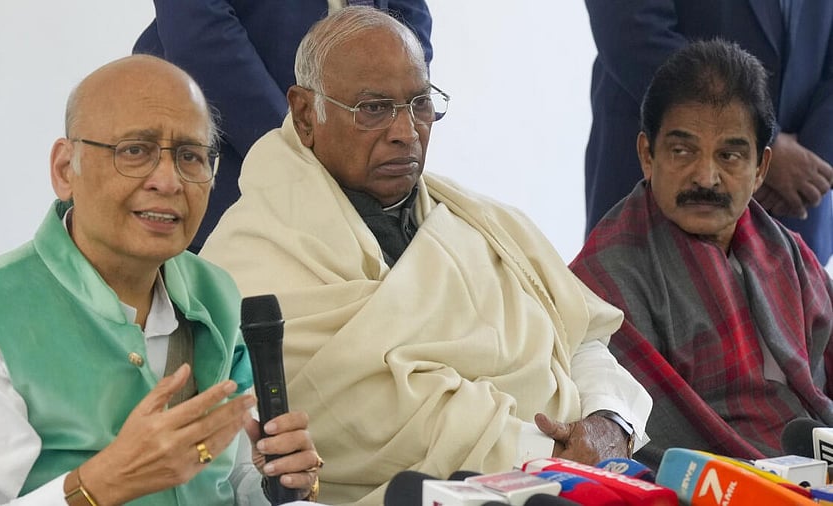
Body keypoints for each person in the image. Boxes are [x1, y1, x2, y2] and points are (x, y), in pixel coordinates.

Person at [199, 6, 653, 504]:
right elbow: (375, 419)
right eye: (374, 108)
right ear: (307, 114)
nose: (405, 131)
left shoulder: (481, 220)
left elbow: (582, 339)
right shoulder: (255, 253)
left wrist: (610, 420)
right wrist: (560, 461)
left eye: (419, 103)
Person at [0, 55, 322, 505]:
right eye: (134, 151)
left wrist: (285, 480)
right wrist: (99, 486)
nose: (168, 180)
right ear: (65, 169)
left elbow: (236, 481)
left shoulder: (218, 297)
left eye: (191, 157)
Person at [570, 39, 833, 470]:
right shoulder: (602, 280)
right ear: (646, 155)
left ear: (761, 167)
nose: (706, 177)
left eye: (729, 155)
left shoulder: (789, 254)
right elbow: (641, 436)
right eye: (682, 151)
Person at [133, 0, 434, 252]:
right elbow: (198, 33)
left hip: (361, 175)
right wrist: (294, 145)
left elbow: (408, 21)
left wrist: (393, 103)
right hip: (231, 153)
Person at [583, 1, 833, 266]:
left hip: (797, 203)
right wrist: (756, 146)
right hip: (660, 195)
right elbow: (631, 32)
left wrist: (813, 158)